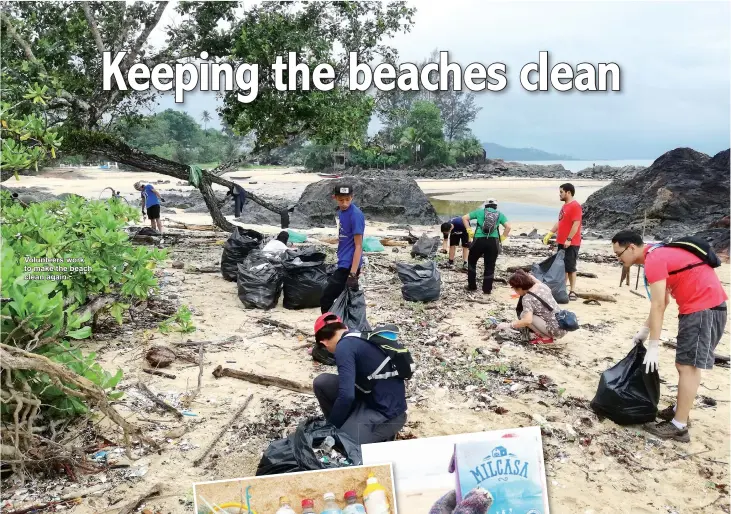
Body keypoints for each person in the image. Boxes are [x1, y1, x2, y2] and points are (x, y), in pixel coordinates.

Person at [611, 230, 728, 442]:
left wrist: (654, 346)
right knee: (684, 364)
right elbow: (662, 303)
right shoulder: (657, 253)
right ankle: (679, 410)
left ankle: (679, 426)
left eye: (619, 254)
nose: (618, 259)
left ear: (631, 248)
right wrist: (645, 331)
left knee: (688, 367)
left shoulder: (654, 259)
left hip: (703, 309)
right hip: (701, 308)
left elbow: (657, 305)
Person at [312, 313, 408, 444]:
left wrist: (331, 428)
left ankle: (382, 436)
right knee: (322, 382)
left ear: (324, 343)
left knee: (343, 442)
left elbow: (346, 396)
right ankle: (344, 425)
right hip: (371, 398)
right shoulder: (357, 335)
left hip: (388, 415)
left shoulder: (343, 347)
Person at [320, 183, 365, 313]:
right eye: (341, 200)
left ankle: (329, 329)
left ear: (352, 197)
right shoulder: (341, 212)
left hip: (349, 265)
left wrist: (352, 273)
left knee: (326, 298)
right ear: (335, 198)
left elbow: (358, 245)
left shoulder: (355, 215)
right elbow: (345, 235)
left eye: (347, 199)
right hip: (343, 261)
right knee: (344, 299)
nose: (344, 203)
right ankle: (342, 326)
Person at [495, 269, 567, 344]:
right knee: (531, 314)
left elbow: (527, 321)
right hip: (563, 325)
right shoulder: (541, 286)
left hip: (556, 331)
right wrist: (526, 276)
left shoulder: (527, 298)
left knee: (524, 315)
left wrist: (509, 325)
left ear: (519, 288)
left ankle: (546, 337)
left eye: (514, 289)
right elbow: (534, 280)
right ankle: (546, 333)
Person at [462, 198, 511, 294]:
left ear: (486, 205)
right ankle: (487, 289)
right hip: (493, 242)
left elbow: (464, 218)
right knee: (490, 265)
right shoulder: (500, 214)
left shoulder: (479, 212)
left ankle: (472, 286)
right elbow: (508, 227)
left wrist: (469, 230)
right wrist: (503, 237)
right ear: (495, 206)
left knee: (472, 262)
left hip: (479, 240)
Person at [543, 183, 582, 300]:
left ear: (568, 192)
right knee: (562, 266)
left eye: (561, 192)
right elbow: (560, 222)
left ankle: (573, 291)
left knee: (571, 267)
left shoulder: (575, 206)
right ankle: (562, 288)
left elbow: (576, 224)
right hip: (561, 241)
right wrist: (550, 233)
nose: (559, 194)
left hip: (572, 242)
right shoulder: (564, 206)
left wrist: (569, 239)